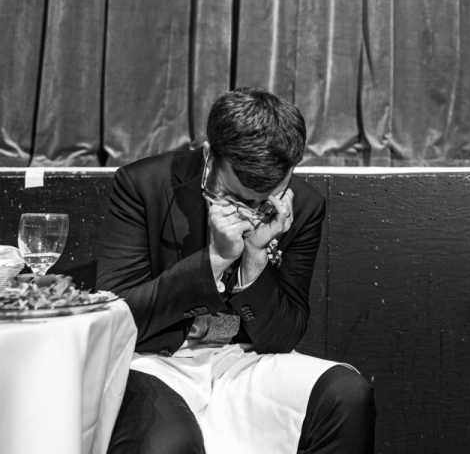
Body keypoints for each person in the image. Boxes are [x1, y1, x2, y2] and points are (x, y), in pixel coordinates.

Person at [97, 87, 375, 454]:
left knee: (348, 394)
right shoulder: (143, 185)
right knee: (166, 443)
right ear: (210, 156)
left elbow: (284, 336)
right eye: (237, 196)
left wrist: (255, 260)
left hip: (243, 358)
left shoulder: (304, 205)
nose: (252, 211)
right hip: (154, 359)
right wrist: (215, 259)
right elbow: (119, 316)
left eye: (266, 199)